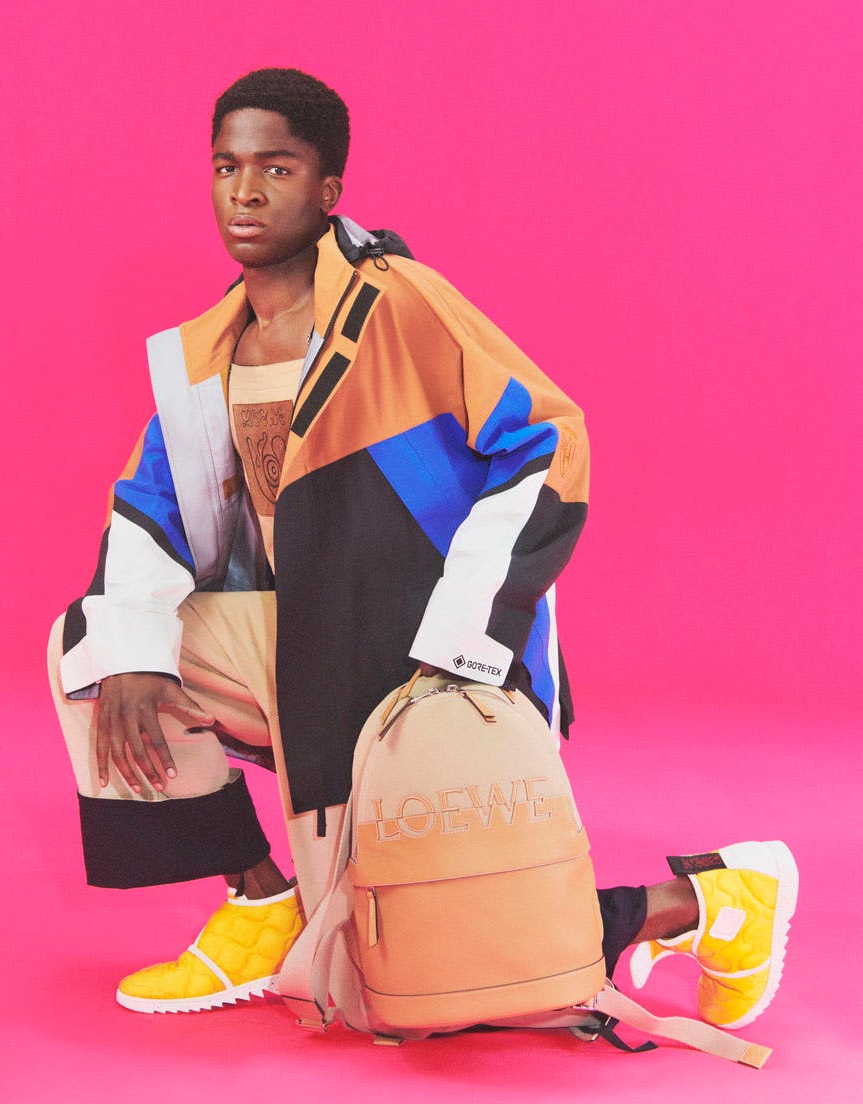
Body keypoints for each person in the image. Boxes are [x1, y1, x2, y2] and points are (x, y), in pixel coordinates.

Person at [48, 68, 797, 1029]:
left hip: (419, 654)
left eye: (276, 167)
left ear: (328, 189)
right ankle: (261, 901)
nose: (245, 192)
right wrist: (135, 659)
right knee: (92, 646)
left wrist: (467, 640)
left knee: (398, 985)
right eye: (227, 167)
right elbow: (145, 517)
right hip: (305, 651)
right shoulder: (205, 355)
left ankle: (711, 901)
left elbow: (549, 438)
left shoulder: (399, 306)